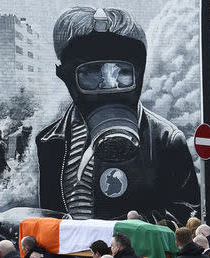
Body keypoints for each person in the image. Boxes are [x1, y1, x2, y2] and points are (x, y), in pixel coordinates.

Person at [35, 7, 200, 224]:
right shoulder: (49, 141)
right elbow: (50, 216)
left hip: (131, 256)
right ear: (64, 76)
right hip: (74, 257)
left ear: (140, 73)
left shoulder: (165, 139)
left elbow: (187, 211)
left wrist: (128, 232)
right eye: (92, 73)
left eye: (122, 72)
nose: (108, 85)